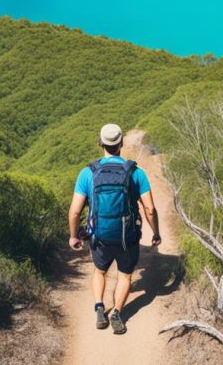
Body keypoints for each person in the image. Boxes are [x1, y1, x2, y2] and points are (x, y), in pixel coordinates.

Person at [68, 123, 161, 334]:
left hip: (99, 236)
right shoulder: (135, 173)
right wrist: (155, 233)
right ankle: (117, 313)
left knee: (100, 271)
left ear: (100, 143)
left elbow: (74, 212)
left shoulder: (87, 173)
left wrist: (74, 236)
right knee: (125, 276)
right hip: (126, 237)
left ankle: (100, 308)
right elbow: (151, 209)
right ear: (121, 143)